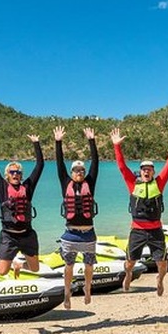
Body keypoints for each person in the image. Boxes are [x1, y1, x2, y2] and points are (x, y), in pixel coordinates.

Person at [111, 127, 168, 296]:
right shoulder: (133, 184)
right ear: (141, 171)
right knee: (130, 262)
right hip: (137, 230)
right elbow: (122, 168)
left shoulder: (159, 184)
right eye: (144, 169)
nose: (146, 171)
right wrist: (117, 146)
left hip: (155, 230)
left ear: (153, 172)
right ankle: (128, 274)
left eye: (149, 169)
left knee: (163, 263)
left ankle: (160, 279)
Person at [0, 133, 44, 277]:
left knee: (35, 268)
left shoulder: (28, 188)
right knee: (2, 272)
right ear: (7, 175)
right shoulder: (2, 188)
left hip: (27, 235)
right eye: (12, 172)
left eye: (18, 172)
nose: (15, 174)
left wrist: (36, 143)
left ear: (21, 175)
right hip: (8, 236)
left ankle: (18, 264)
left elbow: (40, 166)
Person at [54, 126, 99, 309]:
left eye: (81, 170)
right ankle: (67, 293)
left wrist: (92, 141)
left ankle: (87, 289)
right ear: (72, 173)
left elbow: (95, 162)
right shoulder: (66, 183)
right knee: (69, 265)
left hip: (88, 233)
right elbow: (59, 164)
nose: (79, 173)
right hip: (70, 234)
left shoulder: (90, 182)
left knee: (89, 266)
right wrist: (58, 142)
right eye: (76, 171)